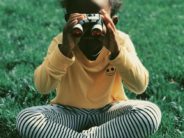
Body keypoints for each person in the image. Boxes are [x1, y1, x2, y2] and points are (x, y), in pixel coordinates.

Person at [16, 0, 161, 137]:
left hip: (109, 110)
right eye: (82, 21)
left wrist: (117, 52)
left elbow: (139, 86)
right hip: (67, 111)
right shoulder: (61, 42)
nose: (89, 30)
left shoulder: (120, 41)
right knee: (27, 118)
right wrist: (65, 50)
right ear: (68, 20)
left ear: (113, 22)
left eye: (97, 21)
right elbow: (43, 87)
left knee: (149, 113)